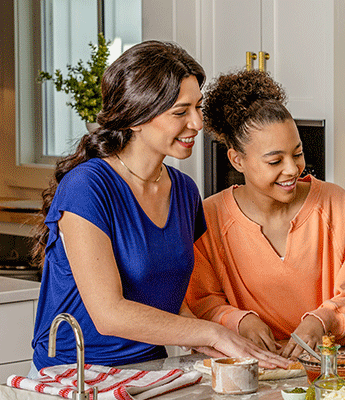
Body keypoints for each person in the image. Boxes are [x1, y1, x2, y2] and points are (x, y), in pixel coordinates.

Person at [30, 40, 291, 373]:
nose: (197, 123)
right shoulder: (87, 187)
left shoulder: (184, 191)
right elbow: (109, 314)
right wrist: (212, 332)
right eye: (181, 112)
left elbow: (166, 296)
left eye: (198, 107)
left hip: (149, 372)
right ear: (136, 118)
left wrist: (225, 348)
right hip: (74, 377)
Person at [184, 69, 345, 359]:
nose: (292, 169)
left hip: (329, 374)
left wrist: (322, 321)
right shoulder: (208, 218)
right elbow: (201, 305)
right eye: (275, 160)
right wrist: (240, 320)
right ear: (236, 159)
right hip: (249, 371)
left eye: (298, 153)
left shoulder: (335, 205)